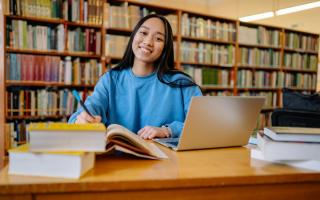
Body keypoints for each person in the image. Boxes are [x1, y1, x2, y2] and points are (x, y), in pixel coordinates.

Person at [68, 14, 202, 139]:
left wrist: (168, 131)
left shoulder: (182, 83)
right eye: (143, 33)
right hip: (119, 162)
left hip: (169, 162)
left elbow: (203, 126)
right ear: (133, 36)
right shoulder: (110, 80)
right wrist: (82, 120)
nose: (148, 42)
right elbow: (89, 109)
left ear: (166, 47)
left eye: (158, 39)